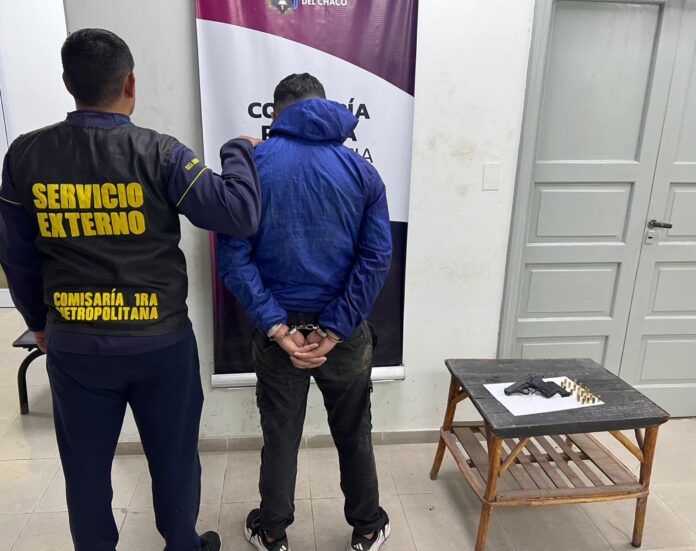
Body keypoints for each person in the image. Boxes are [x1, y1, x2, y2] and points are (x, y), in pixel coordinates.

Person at [0, 28, 262, 551]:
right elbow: (238, 213)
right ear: (130, 83)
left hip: (75, 344)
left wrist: (38, 322)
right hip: (159, 343)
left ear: (67, 83)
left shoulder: (25, 154)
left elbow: (16, 255)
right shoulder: (160, 153)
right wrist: (238, 151)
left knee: (85, 471)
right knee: (174, 459)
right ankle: (182, 544)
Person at [217, 73, 393, 551]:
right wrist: (334, 330)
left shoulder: (253, 168)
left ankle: (272, 531)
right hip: (344, 333)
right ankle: (367, 527)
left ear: (275, 114)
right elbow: (376, 258)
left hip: (279, 331)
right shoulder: (362, 172)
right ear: (325, 107)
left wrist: (277, 327)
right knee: (354, 430)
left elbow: (233, 258)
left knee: (279, 434)